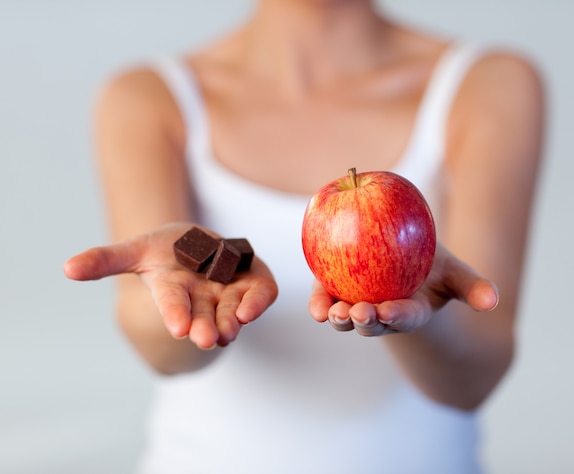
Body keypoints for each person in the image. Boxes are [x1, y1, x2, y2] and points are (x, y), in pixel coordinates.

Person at [64, 0, 543, 472]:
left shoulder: (490, 84)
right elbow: (161, 353)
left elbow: (474, 380)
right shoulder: (146, 95)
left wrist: (418, 302)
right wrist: (189, 301)